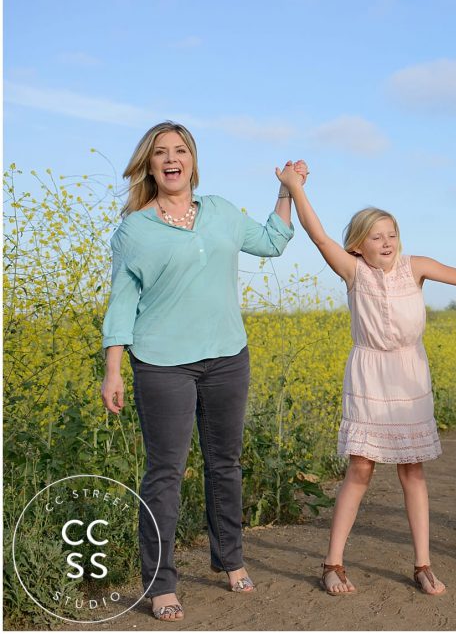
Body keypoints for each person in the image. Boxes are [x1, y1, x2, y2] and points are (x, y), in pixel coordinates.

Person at [100, 122, 298, 621]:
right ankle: (160, 582)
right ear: (149, 165)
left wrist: (285, 191)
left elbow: (273, 242)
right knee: (165, 474)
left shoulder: (222, 212)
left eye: (180, 150)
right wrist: (114, 369)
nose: (172, 159)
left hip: (228, 356)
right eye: (161, 153)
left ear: (192, 160)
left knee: (224, 463)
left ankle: (229, 558)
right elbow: (122, 305)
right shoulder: (133, 231)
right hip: (162, 363)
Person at [278, 164, 456, 597]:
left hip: (410, 373)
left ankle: (423, 565)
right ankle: (332, 563)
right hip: (369, 373)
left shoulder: (416, 266)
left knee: (413, 470)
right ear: (359, 244)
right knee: (361, 467)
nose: (386, 242)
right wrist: (293, 189)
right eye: (376, 236)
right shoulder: (353, 272)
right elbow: (318, 236)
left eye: (391, 234)